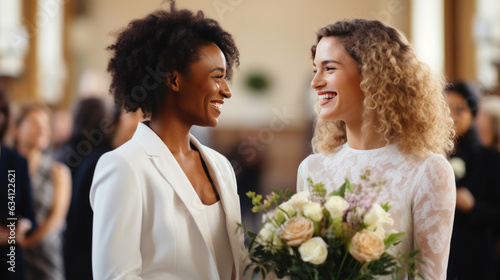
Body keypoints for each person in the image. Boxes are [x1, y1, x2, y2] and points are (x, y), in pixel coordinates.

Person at [90, 3, 245, 279]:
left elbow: (238, 266)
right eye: (217, 77)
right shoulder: (124, 167)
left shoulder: (221, 166)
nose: (227, 91)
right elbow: (116, 276)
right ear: (173, 80)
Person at [296, 19, 456, 279]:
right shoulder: (312, 169)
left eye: (329, 68)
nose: (315, 82)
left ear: (372, 75)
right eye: (316, 69)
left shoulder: (428, 170)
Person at [445, 82, 500, 279]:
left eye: (459, 109)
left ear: (473, 114)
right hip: (442, 253)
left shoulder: (491, 160)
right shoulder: (431, 157)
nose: (450, 116)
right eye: (445, 108)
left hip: (475, 257)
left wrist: (474, 207)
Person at [13, 104, 71, 280]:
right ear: (16, 130)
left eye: (46, 125)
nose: (42, 129)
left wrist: (25, 242)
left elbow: (56, 220)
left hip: (45, 262)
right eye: (33, 123)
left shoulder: (58, 172)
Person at [0, 87, 37, 280]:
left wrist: (23, 226)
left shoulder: (16, 162)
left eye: (2, 111)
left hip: (10, 260)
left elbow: (30, 214)